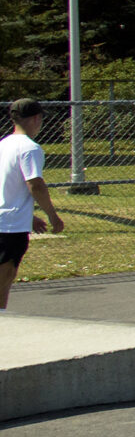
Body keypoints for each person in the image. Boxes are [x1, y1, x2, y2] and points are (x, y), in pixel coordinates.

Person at [1, 98, 64, 311]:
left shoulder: (4, 144)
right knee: (4, 281)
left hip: (8, 220)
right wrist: (52, 215)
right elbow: (35, 184)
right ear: (36, 119)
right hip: (9, 229)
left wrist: (29, 216)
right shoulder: (30, 148)